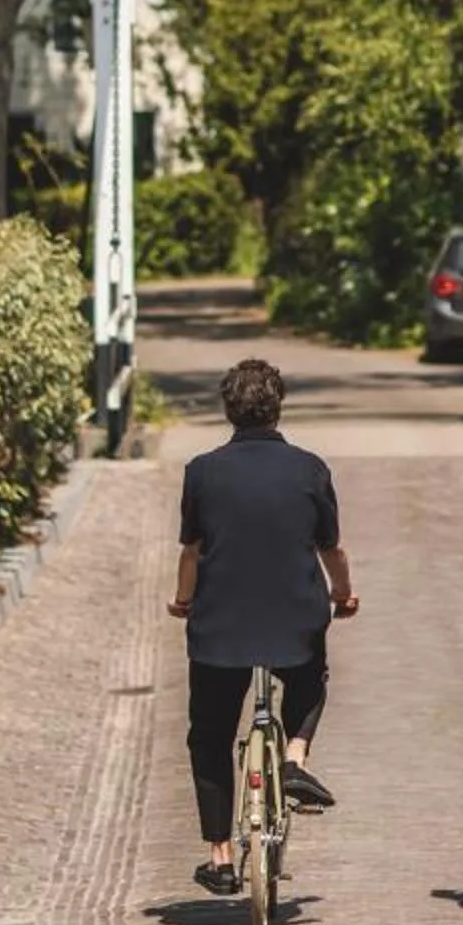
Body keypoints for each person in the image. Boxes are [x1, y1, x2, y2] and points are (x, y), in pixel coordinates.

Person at [168, 355, 357, 896]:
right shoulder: (310, 469)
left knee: (209, 735)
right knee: (309, 678)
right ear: (278, 408)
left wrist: (184, 601)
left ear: (228, 411)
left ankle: (221, 857)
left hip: (219, 624)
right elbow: (331, 548)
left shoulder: (201, 472)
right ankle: (293, 759)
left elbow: (192, 551)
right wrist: (342, 595)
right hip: (294, 618)